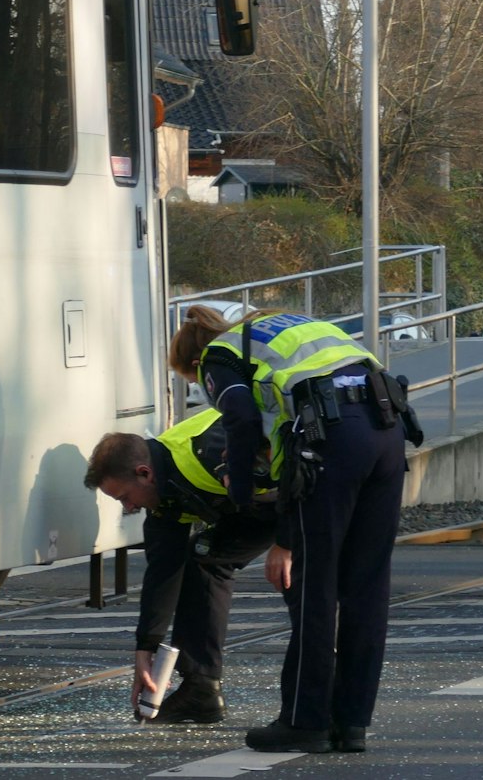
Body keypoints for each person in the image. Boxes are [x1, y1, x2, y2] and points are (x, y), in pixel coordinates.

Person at [168, 306, 415, 754]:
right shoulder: (286, 327)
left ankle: (305, 721)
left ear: (194, 361)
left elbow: (240, 418)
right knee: (367, 587)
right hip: (387, 429)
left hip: (333, 439)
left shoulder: (219, 357)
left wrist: (240, 490)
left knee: (314, 587)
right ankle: (352, 722)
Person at [84, 410, 281, 726]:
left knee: (305, 584)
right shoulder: (164, 499)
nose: (129, 508)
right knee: (204, 561)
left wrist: (286, 546)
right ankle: (201, 688)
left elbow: (294, 482)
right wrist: (144, 651)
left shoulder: (210, 452)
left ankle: (319, 707)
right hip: (259, 505)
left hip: (306, 492)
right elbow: (162, 574)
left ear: (145, 473)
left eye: (124, 497)